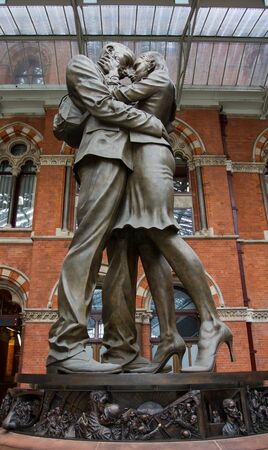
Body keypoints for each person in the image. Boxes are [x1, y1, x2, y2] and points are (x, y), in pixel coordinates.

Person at [102, 51, 234, 373]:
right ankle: (170, 336)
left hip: (150, 159)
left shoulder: (159, 79)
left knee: (163, 232)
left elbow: (113, 99)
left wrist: (112, 72)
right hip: (141, 160)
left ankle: (212, 322)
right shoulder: (154, 87)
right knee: (149, 244)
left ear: (153, 62)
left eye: (138, 65)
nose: (134, 70)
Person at [47, 43, 168, 374]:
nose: (119, 65)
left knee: (123, 261)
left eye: (126, 64)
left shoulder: (120, 84)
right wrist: (149, 123)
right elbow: (93, 110)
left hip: (130, 166)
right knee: (87, 245)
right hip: (102, 157)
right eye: (117, 57)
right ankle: (66, 345)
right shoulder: (83, 65)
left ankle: (122, 350)